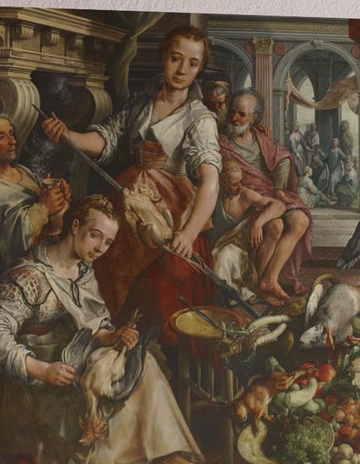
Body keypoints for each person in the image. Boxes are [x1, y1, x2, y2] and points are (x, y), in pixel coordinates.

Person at [0, 194, 212, 464]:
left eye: (107, 242)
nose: (100, 248)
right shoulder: (30, 275)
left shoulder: (83, 271)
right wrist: (41, 369)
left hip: (76, 358)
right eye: (95, 236)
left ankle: (166, 455)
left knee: (142, 363)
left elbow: (94, 324)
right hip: (39, 377)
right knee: (96, 391)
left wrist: (112, 335)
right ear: (74, 226)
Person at [40, 26, 220, 321]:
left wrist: (187, 235)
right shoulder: (140, 103)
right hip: (128, 199)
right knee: (104, 265)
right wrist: (67, 135)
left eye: (193, 63)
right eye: (176, 58)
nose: (182, 70)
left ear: (200, 68)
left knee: (162, 288)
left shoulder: (200, 119)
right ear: (164, 57)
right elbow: (106, 139)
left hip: (172, 212)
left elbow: (210, 180)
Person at [218, 90, 313, 302]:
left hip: (269, 194)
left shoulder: (260, 137)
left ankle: (269, 279)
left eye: (241, 114)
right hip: (245, 201)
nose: (235, 118)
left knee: (300, 220)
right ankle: (259, 282)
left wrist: (279, 188)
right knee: (275, 226)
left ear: (253, 118)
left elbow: (283, 157)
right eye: (233, 112)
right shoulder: (222, 142)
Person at [0, 111, 69, 298]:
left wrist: (59, 199)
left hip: (50, 261)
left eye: (11, 133)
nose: (12, 141)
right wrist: (43, 208)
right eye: (2, 136)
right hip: (18, 282)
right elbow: (1, 249)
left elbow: (48, 222)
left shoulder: (23, 171)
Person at [209, 159, 288, 301]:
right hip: (216, 245)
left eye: (241, 182)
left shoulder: (245, 196)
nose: (240, 187)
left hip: (240, 251)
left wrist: (258, 223)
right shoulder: (214, 195)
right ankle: (222, 297)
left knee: (224, 256)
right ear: (222, 182)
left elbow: (280, 205)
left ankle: (228, 297)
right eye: (234, 184)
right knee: (219, 256)